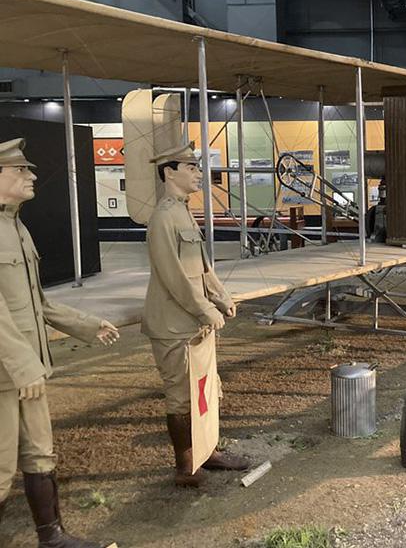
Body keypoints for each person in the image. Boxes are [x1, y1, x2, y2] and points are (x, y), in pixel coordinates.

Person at [0, 138, 119, 548]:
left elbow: (37, 303)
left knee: (39, 453)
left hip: (27, 369)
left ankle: (51, 537)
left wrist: (86, 324)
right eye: (20, 170)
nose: (31, 176)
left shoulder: (16, 226)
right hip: (7, 372)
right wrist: (23, 366)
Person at [143, 142, 248, 488]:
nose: (198, 173)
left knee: (207, 389)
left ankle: (209, 452)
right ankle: (185, 467)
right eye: (190, 167)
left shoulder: (183, 212)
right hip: (174, 325)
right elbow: (172, 275)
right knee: (182, 396)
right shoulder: (162, 217)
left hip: (195, 323)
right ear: (169, 172)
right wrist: (204, 309)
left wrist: (220, 296)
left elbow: (201, 268)